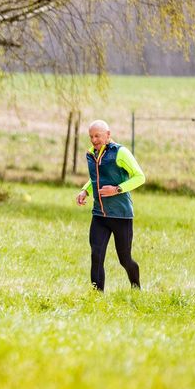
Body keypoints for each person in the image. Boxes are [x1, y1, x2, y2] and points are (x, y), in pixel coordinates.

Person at [76, 119, 145, 291]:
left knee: (124, 259)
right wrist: (85, 190)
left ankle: (136, 287)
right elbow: (96, 178)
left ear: (108, 135)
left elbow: (140, 177)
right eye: (91, 136)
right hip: (99, 215)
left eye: (97, 136)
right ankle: (97, 295)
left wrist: (117, 189)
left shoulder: (120, 153)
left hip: (121, 215)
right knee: (96, 255)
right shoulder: (91, 154)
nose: (94, 140)